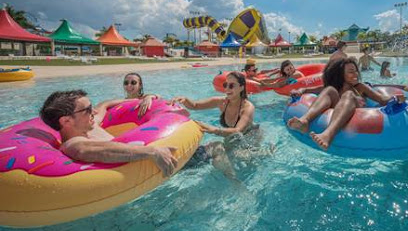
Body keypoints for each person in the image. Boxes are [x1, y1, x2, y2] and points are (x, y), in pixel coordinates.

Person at [39, 90, 178, 177]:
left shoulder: (89, 125)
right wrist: (152, 152)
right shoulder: (73, 144)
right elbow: (90, 151)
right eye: (87, 110)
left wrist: (144, 99)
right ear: (66, 121)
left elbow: (105, 104)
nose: (93, 112)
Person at [287, 58, 404, 150]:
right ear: (340, 74)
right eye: (351, 72)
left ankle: (328, 134)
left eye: (356, 71)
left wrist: (394, 98)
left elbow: (381, 99)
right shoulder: (334, 88)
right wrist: (300, 91)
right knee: (329, 90)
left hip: (360, 118)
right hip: (337, 111)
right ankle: (305, 121)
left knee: (348, 95)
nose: (356, 74)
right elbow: (308, 90)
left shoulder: (360, 87)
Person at [169, 72, 258, 178]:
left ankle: (235, 179)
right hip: (231, 139)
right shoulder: (221, 102)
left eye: (232, 85)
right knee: (214, 150)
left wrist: (214, 130)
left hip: (248, 140)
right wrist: (185, 100)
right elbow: (195, 105)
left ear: (241, 87)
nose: (227, 89)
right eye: (226, 85)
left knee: (232, 154)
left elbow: (238, 131)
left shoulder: (248, 107)